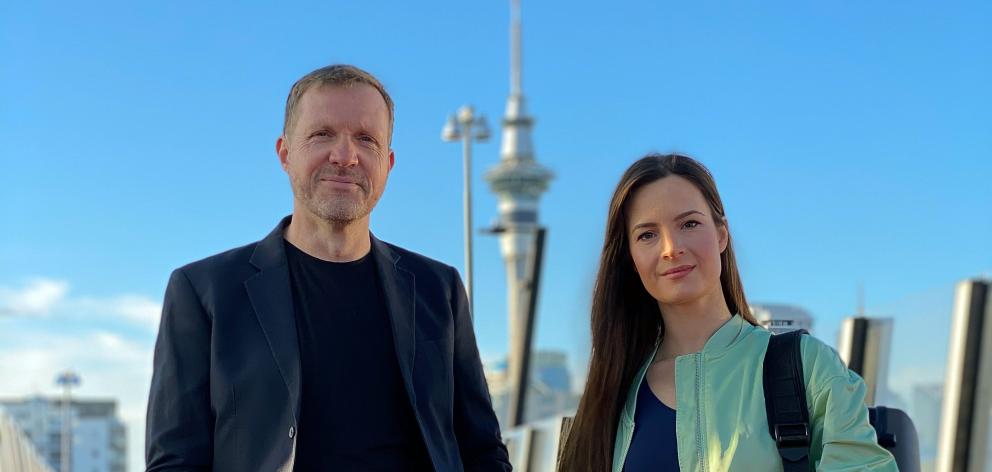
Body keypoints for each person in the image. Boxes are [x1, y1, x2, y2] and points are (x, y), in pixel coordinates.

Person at [145, 64, 510, 472]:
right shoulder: (203, 291)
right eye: (322, 135)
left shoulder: (437, 289)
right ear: (285, 153)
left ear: (388, 163)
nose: (345, 156)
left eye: (366, 139)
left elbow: (483, 451)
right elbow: (175, 462)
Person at [557, 154, 897, 471]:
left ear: (721, 234)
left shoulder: (810, 369)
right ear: (630, 258)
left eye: (689, 224)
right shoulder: (609, 397)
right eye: (647, 235)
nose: (672, 248)